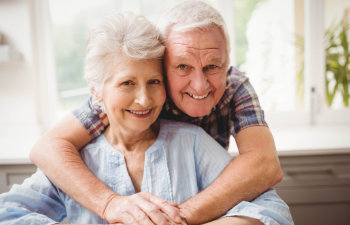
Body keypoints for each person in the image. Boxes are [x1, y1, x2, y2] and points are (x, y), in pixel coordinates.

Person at [0, 12, 293, 225]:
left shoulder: (194, 140)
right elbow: (40, 156)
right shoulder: (86, 148)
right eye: (127, 84)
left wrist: (176, 220)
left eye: (153, 83)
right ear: (96, 93)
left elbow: (268, 192)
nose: (143, 99)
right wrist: (110, 204)